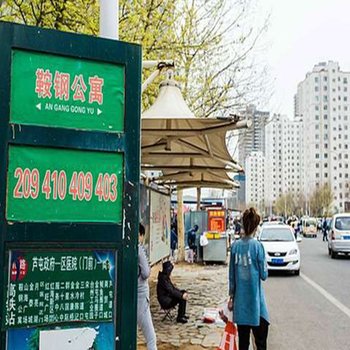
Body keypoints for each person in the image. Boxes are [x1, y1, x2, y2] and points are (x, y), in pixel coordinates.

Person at [228, 208, 269, 350]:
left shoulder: (235, 247)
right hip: (257, 306)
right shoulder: (258, 247)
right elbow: (264, 275)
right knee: (261, 344)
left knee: (243, 344)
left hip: (241, 306)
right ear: (256, 227)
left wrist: (231, 298)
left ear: (244, 225)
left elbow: (232, 277)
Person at [138, 223, 157, 350]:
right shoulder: (138, 249)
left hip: (129, 295)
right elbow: (145, 273)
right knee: (151, 338)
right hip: (140, 295)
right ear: (140, 235)